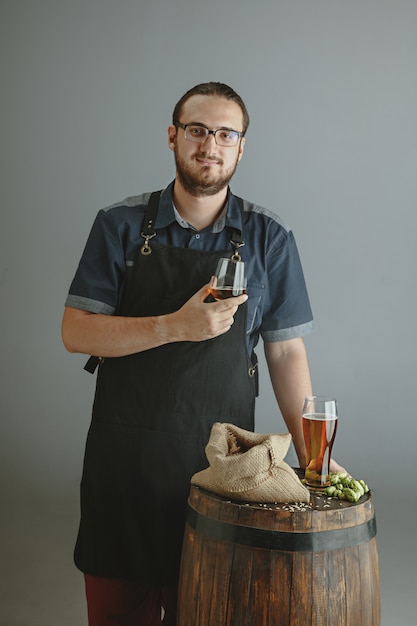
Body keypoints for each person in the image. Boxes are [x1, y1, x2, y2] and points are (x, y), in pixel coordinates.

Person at [62, 81, 328, 625]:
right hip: (124, 467)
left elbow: (284, 355)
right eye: (198, 130)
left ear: (241, 146)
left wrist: (315, 464)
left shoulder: (269, 238)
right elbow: (76, 332)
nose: (211, 144)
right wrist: (174, 326)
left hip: (224, 471)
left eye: (225, 134)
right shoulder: (118, 225)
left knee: (211, 609)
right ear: (173, 137)